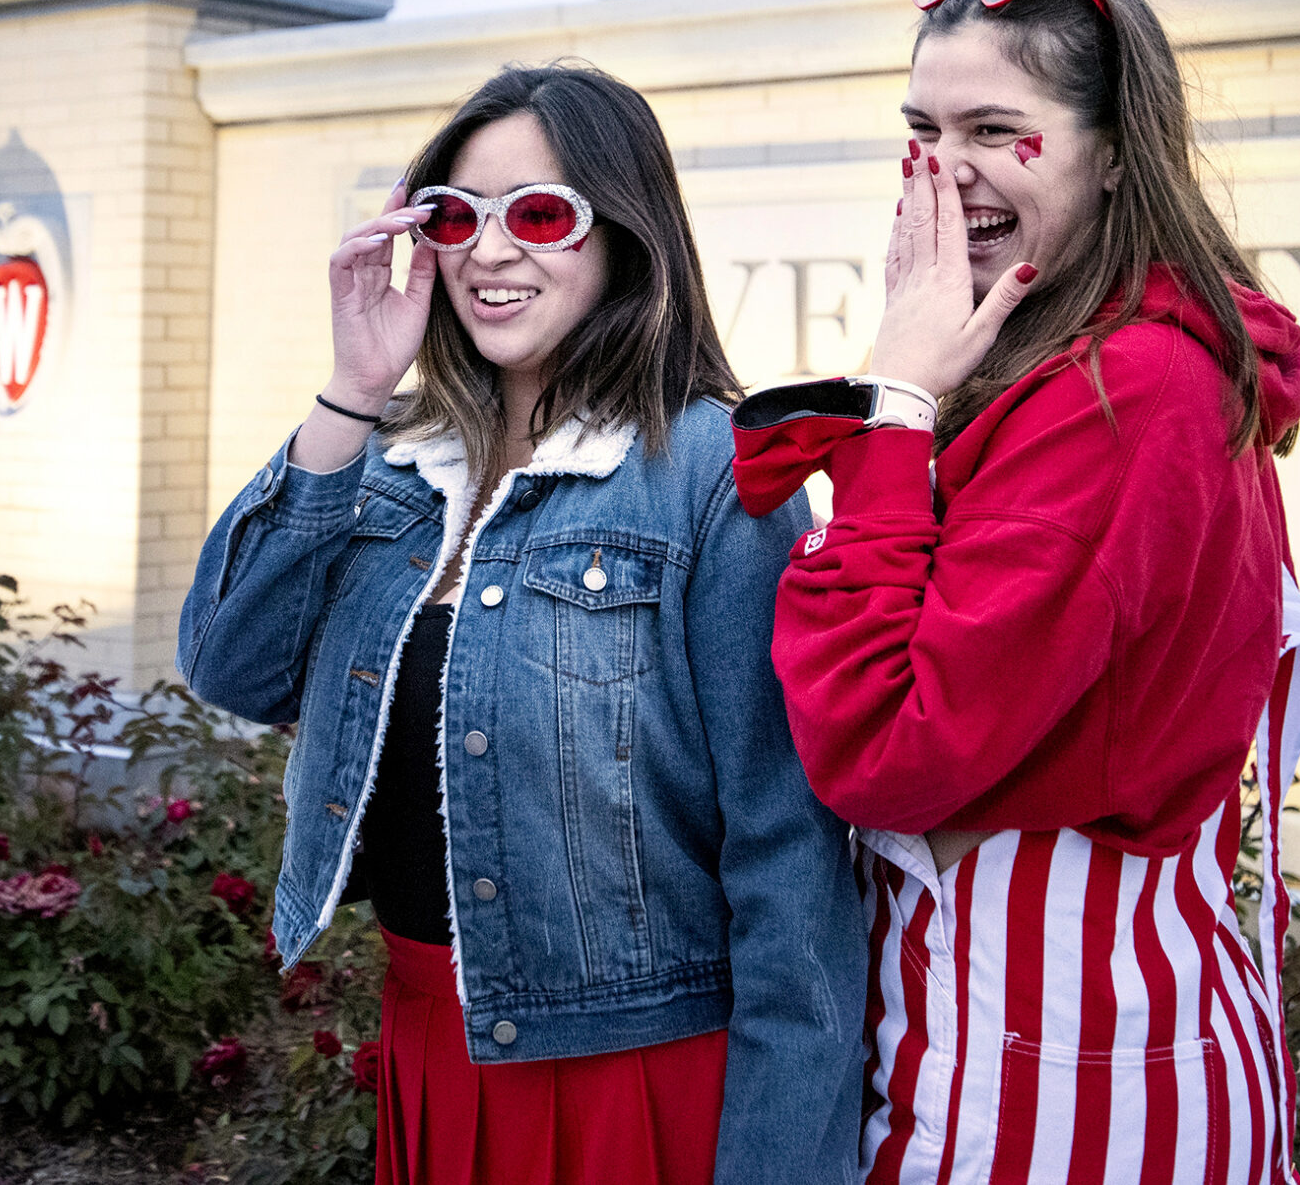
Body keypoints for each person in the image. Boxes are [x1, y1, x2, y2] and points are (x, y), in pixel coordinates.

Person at [181, 64, 868, 1185]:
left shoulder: (706, 472)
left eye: (539, 215)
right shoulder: (397, 465)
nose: (489, 252)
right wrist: (354, 387)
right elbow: (229, 662)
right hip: (432, 1051)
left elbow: (786, 853)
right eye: (456, 216)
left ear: (623, 237)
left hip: (636, 1078)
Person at [730, 0, 1300, 1185]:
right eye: (922, 129)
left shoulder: (1135, 390)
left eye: (1000, 130)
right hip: (1001, 1027)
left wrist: (894, 409)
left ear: (1114, 150)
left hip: (1064, 1059)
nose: (949, 170)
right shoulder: (1045, 355)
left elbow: (885, 746)